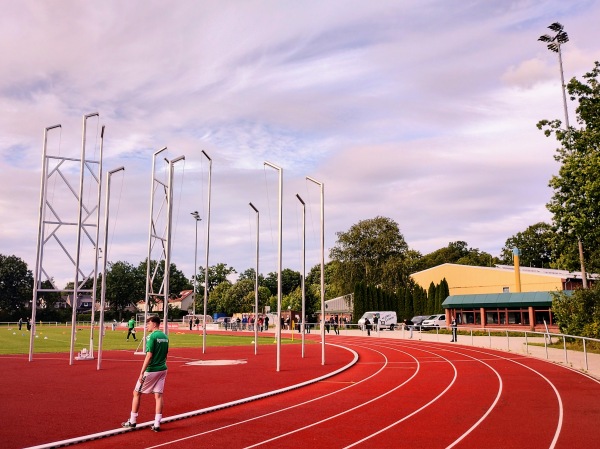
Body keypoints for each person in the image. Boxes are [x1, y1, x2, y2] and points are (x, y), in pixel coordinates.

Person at [122, 315, 169, 432]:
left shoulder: (151, 337)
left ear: (154, 324)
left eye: (148, 323)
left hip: (152, 369)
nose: (146, 326)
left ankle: (132, 421)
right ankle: (157, 423)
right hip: (163, 369)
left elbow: (149, 355)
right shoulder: (165, 337)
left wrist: (141, 372)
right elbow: (166, 354)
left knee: (136, 392)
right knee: (158, 395)